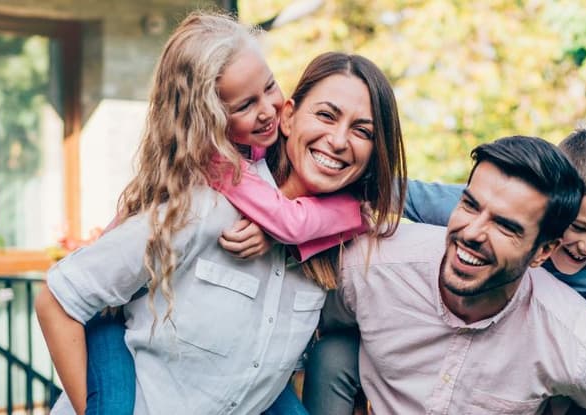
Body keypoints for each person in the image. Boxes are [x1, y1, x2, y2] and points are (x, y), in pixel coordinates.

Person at [35, 32, 407, 415]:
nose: (339, 140)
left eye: (363, 131)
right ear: (290, 116)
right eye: (326, 115)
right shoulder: (209, 195)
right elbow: (60, 296)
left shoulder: (338, 244)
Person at [305, 128, 586, 415]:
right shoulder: (476, 210)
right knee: (336, 350)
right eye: (580, 227)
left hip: (545, 377)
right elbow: (392, 193)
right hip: (430, 359)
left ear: (544, 245)